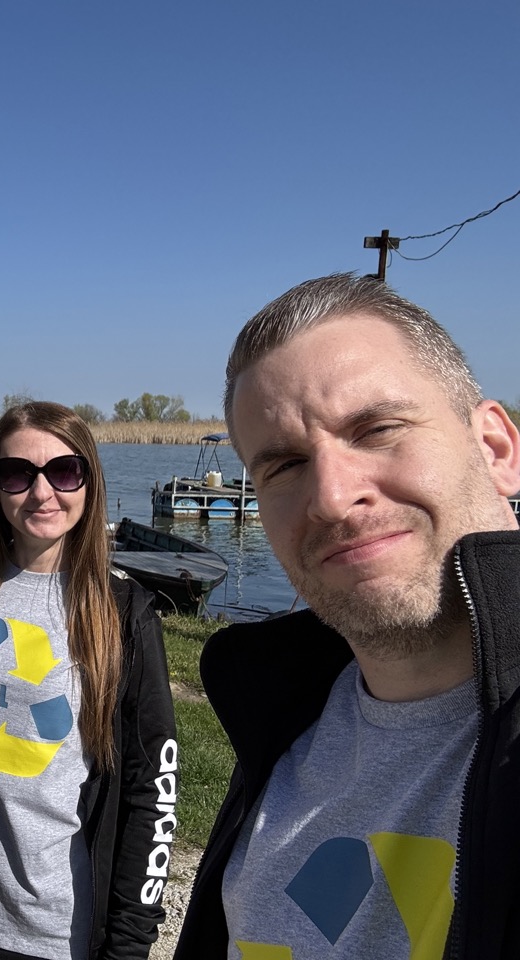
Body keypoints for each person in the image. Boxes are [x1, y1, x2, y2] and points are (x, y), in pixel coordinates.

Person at [174, 273, 520, 958]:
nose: (331, 497)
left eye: (377, 429)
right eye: (284, 466)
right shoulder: (284, 718)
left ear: (495, 448)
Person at [0, 401, 177, 960]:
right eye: (17, 474)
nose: (41, 493)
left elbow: (151, 789)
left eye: (63, 471)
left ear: (89, 481)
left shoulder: (123, 613)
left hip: (51, 929)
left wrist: (128, 944)